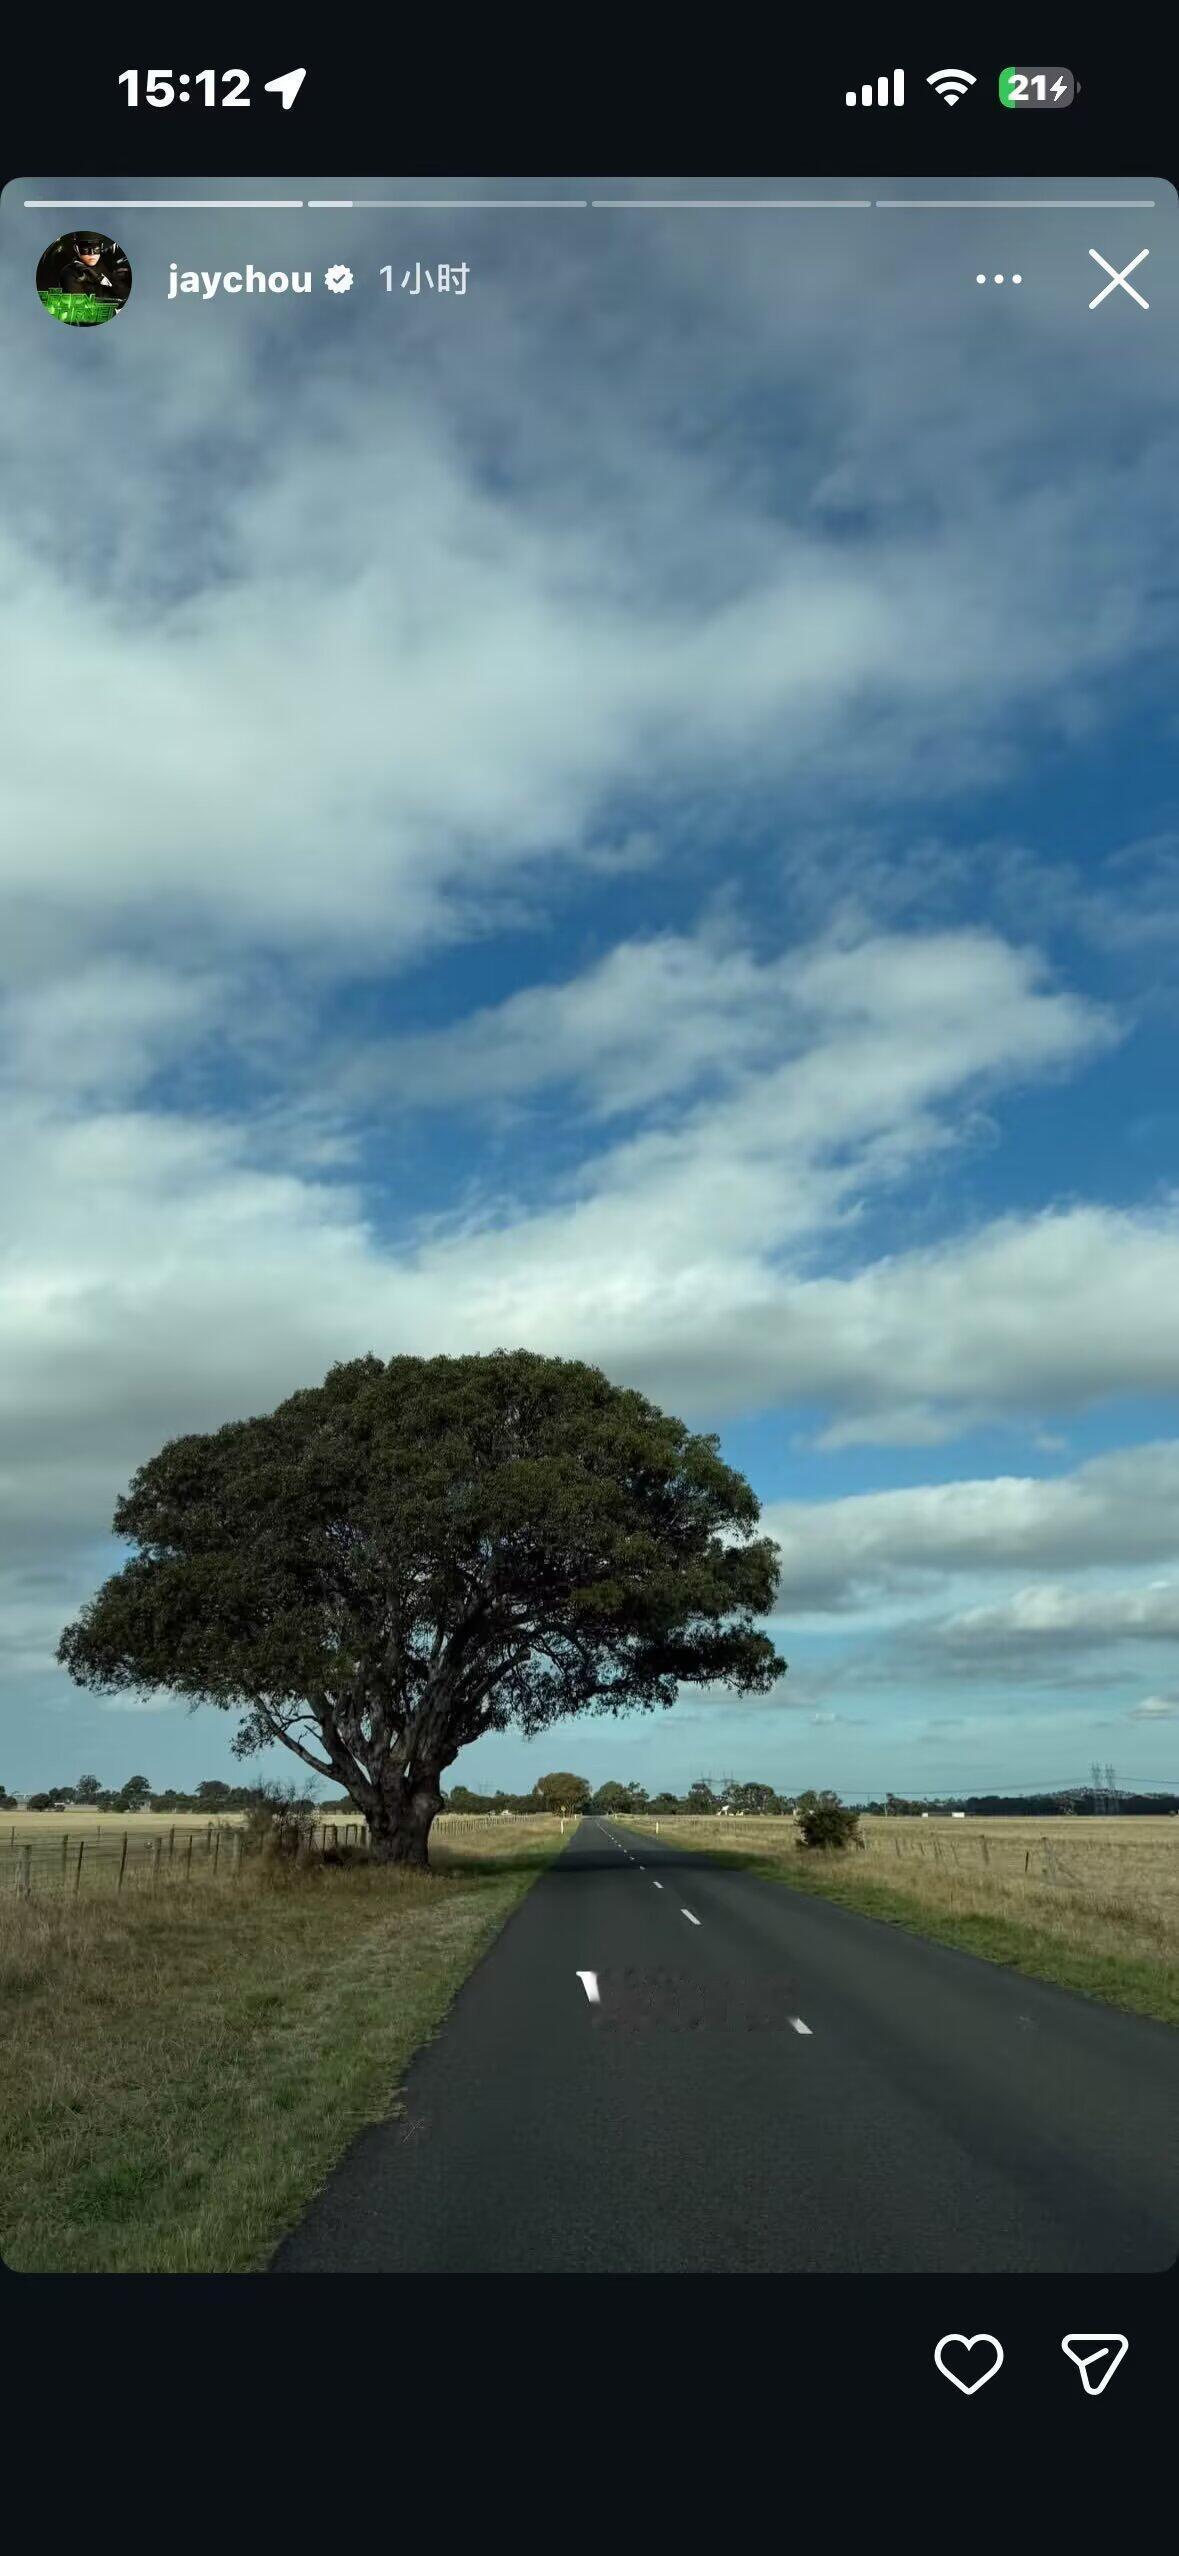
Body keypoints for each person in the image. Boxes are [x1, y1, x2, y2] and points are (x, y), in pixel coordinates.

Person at [50, 233, 131, 305]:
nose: (92, 254)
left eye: (96, 249)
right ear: (76, 248)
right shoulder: (69, 274)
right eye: (85, 249)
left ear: (101, 247)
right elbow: (81, 308)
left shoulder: (106, 257)